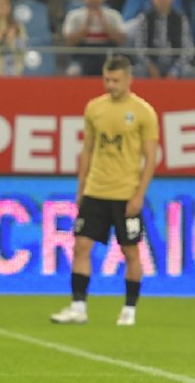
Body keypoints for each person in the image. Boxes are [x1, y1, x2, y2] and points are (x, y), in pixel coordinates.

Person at [51, 55, 158, 327]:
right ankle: (78, 307)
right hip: (96, 191)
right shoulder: (94, 108)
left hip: (125, 194)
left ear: (128, 79)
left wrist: (138, 195)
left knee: (131, 252)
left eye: (115, 80)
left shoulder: (143, 111)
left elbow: (150, 157)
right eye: (107, 80)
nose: (110, 85)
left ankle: (129, 310)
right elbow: (87, 150)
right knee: (81, 246)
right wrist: (82, 188)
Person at [62, 0, 127, 76]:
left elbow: (122, 40)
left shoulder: (113, 15)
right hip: (82, 54)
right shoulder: (74, 16)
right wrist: (86, 26)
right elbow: (69, 43)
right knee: (73, 72)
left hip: (107, 53)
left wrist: (105, 25)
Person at [132, 0, 194, 78]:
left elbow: (188, 49)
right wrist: (150, 66)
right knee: (138, 71)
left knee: (188, 71)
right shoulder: (144, 18)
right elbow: (139, 47)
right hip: (151, 62)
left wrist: (174, 70)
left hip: (174, 61)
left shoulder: (181, 19)